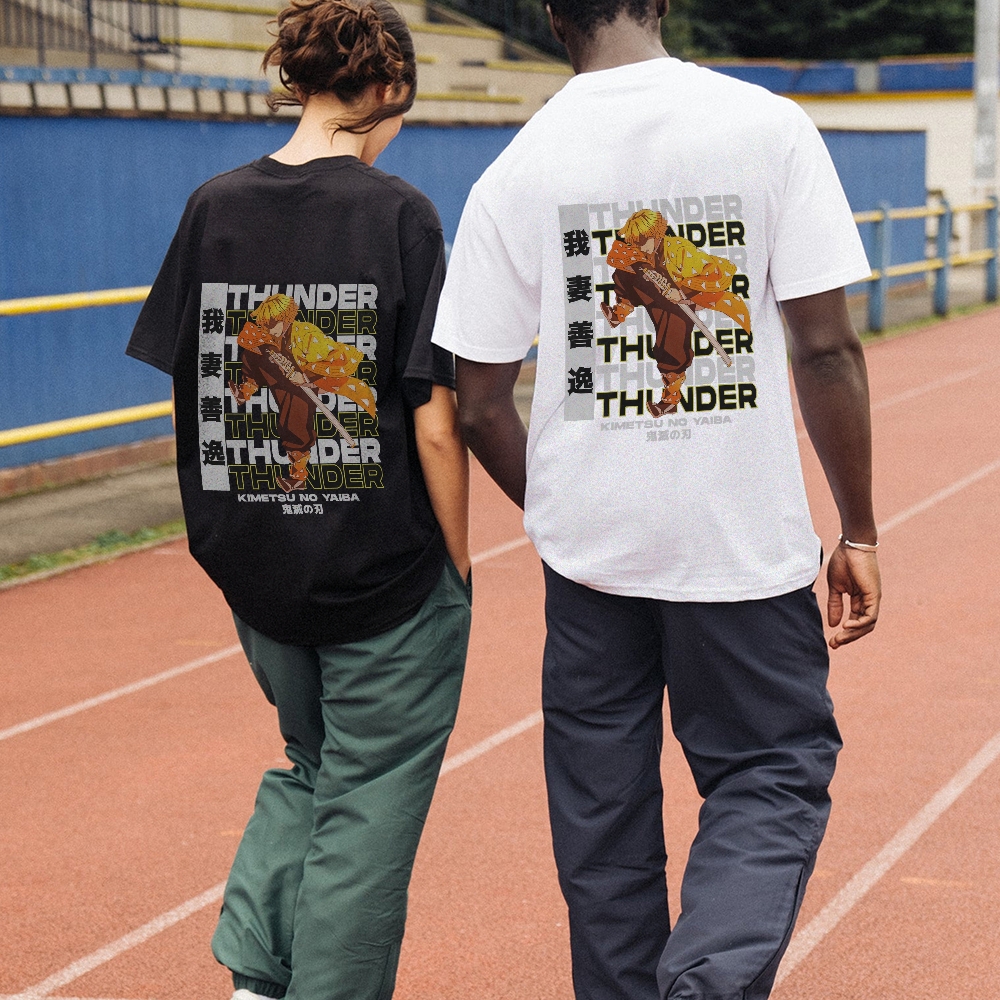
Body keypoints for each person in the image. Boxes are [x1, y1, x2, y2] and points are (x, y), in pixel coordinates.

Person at [430, 1, 881, 998]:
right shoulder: (768, 129)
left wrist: (560, 507)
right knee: (770, 769)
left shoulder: (515, 170)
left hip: (590, 558)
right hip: (741, 546)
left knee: (602, 820)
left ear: (553, 15)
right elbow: (825, 348)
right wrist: (858, 529)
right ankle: (708, 983)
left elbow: (478, 403)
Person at [126, 2, 472, 998]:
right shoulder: (400, 215)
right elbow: (434, 419)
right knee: (370, 798)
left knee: (310, 760)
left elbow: (192, 381)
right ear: (388, 89)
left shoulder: (213, 207)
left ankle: (254, 979)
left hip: (254, 565)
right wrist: (458, 560)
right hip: (381, 571)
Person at [601, 208, 752, 416]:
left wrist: (682, 293)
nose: (637, 245)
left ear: (656, 235)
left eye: (641, 240)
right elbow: (619, 256)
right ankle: (619, 313)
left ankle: (670, 400)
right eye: (634, 240)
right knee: (624, 272)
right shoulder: (639, 249)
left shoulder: (680, 250)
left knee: (670, 346)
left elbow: (711, 274)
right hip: (657, 293)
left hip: (683, 302)